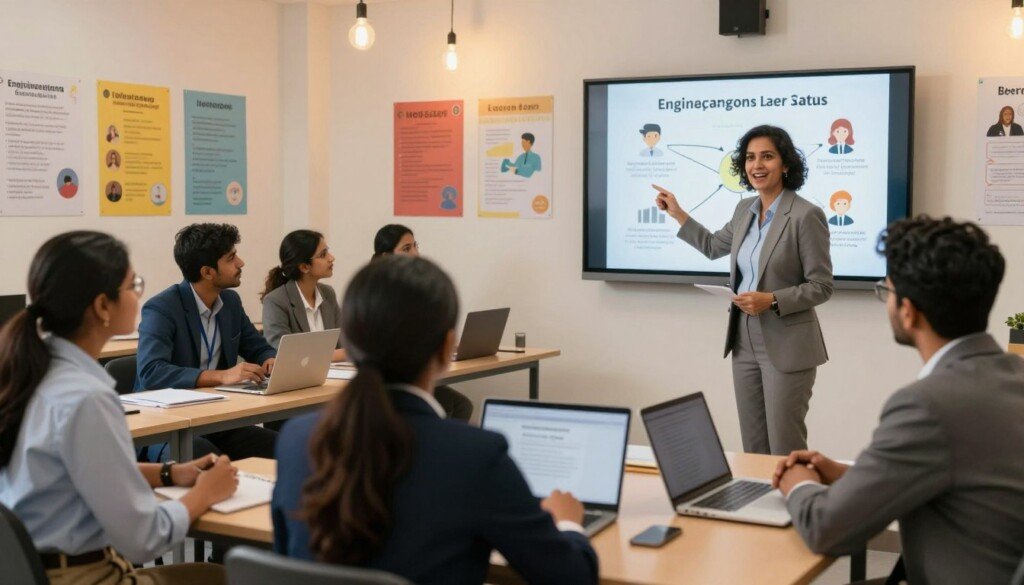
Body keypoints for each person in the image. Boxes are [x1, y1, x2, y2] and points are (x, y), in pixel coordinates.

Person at [272, 256, 598, 585]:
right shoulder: (474, 455)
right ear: (446, 348)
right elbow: (573, 578)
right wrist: (567, 523)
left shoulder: (297, 437)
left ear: (351, 344)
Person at [774, 216, 1024, 585]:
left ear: (908, 311)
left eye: (885, 291)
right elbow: (963, 479)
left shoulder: (929, 405)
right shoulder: (1011, 375)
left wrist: (797, 482)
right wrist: (852, 476)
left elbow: (827, 530)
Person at [0, 231, 238, 585]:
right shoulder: (87, 397)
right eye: (133, 285)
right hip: (85, 576)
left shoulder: (32, 371)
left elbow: (78, 471)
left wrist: (170, 473)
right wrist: (206, 493)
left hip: (34, 571)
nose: (140, 294)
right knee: (220, 577)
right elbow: (144, 539)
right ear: (102, 306)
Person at [653, 124, 833, 455]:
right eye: (750, 158)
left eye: (767, 156)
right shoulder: (743, 210)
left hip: (786, 342)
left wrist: (773, 300)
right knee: (753, 446)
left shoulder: (806, 215)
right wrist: (676, 212)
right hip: (743, 338)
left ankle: (795, 506)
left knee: (784, 446)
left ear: (786, 165)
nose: (757, 165)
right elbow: (710, 246)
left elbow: (821, 286)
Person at [136, 223, 278, 460]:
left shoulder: (230, 302)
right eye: (231, 258)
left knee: (287, 448)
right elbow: (151, 372)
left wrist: (270, 360)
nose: (240, 263)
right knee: (204, 456)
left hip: (215, 418)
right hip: (167, 425)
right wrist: (221, 376)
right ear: (207, 272)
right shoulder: (162, 308)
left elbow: (257, 347)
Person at [372, 224, 474, 421]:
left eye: (415, 246)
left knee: (461, 405)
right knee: (452, 406)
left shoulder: (413, 289)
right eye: (406, 249)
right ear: (386, 256)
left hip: (415, 366)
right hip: (391, 377)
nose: (416, 254)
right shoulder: (376, 292)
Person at [261, 229, 346, 362]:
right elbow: (284, 354)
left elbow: (345, 342)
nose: (331, 258)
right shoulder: (275, 301)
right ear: (304, 267)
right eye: (323, 254)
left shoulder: (328, 293)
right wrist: (338, 355)